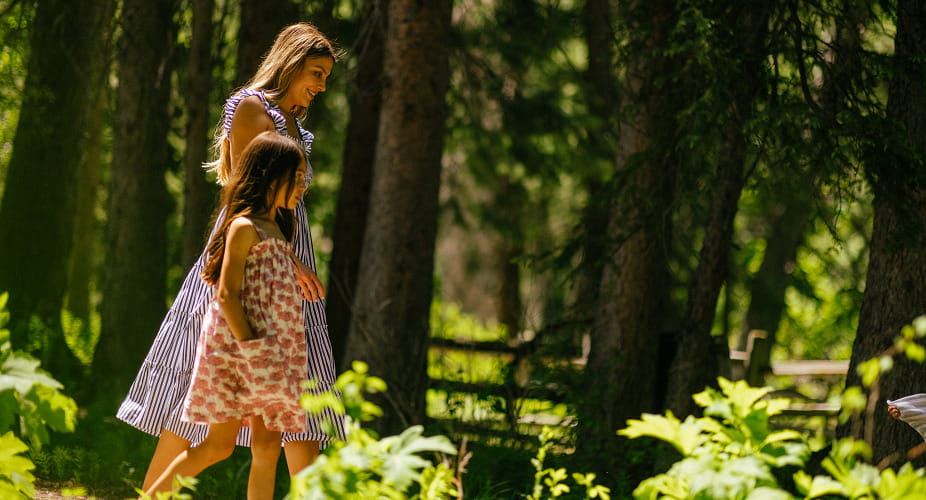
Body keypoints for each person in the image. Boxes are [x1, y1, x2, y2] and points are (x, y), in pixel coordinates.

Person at [116, 22, 345, 493]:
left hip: (290, 262)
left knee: (304, 395)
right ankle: (152, 494)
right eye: (317, 73)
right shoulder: (251, 108)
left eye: (326, 78)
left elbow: (290, 199)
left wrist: (297, 259)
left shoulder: (295, 123)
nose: (322, 86)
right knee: (189, 389)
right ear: (292, 61)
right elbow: (245, 194)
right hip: (251, 254)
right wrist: (290, 259)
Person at [144, 131, 312, 498]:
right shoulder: (243, 227)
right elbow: (226, 293)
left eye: (304, 178)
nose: (302, 186)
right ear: (270, 176)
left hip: (271, 354)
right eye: (296, 178)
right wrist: (254, 349)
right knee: (218, 445)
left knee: (268, 448)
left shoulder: (280, 231)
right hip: (239, 353)